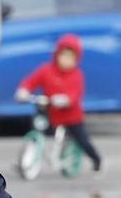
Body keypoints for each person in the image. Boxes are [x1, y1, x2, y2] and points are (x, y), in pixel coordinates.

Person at [15, 33, 100, 173]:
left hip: (71, 116)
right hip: (51, 112)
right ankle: (29, 156)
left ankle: (96, 159)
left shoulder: (77, 76)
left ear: (76, 59)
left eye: (70, 57)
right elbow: (31, 81)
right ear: (57, 54)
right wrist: (23, 91)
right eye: (63, 55)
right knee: (38, 127)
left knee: (82, 139)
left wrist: (65, 100)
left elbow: (74, 95)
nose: (66, 60)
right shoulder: (46, 70)